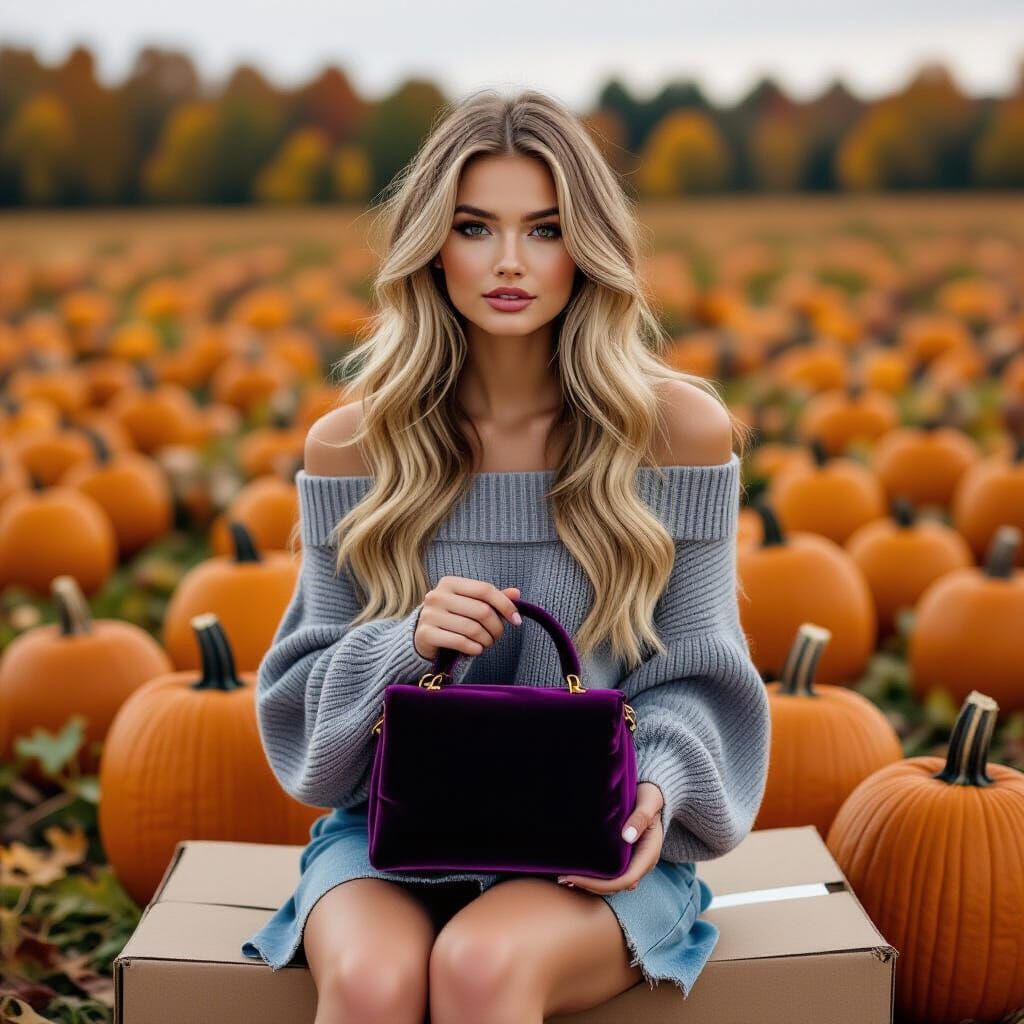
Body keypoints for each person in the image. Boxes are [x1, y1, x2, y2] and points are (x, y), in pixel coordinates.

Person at [241, 87, 770, 1024]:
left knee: (483, 965)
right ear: (432, 246)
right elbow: (302, 717)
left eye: (547, 228)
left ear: (590, 246)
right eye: (477, 227)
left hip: (588, 831)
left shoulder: (677, 432)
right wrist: (407, 642)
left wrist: (656, 788)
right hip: (389, 834)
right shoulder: (354, 447)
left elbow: (704, 676)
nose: (512, 262)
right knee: (370, 981)